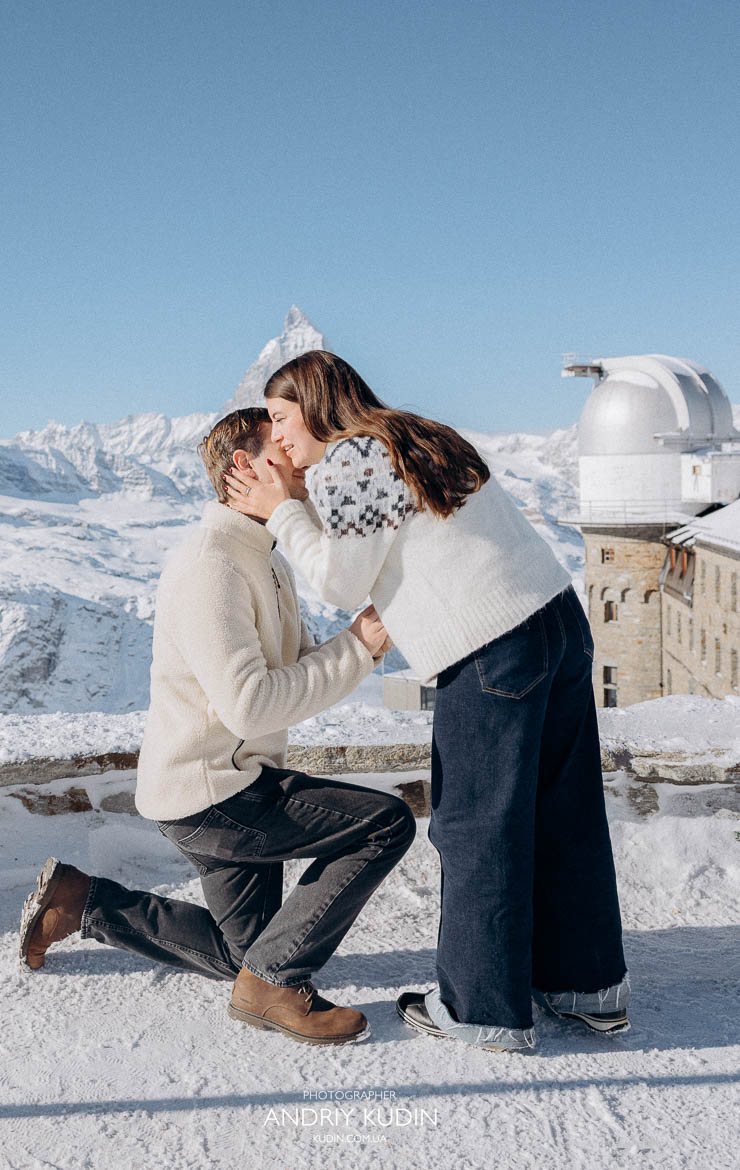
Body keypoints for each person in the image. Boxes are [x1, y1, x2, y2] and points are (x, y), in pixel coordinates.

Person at [224, 351, 630, 1051]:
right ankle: (586, 985)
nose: (280, 436)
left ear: (317, 404)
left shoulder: (352, 458)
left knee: (479, 828)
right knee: (564, 813)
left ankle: (482, 1012)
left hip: (491, 647)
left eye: (284, 418)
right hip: (555, 623)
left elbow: (341, 582)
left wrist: (282, 510)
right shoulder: (417, 434)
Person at [19, 407, 416, 1046]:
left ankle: (81, 901)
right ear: (245, 466)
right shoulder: (214, 565)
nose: (306, 465)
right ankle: (277, 992)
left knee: (249, 957)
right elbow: (254, 705)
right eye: (285, 452)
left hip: (223, 783)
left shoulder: (265, 555)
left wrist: (356, 642)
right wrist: (359, 648)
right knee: (385, 823)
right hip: (216, 795)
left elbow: (292, 673)